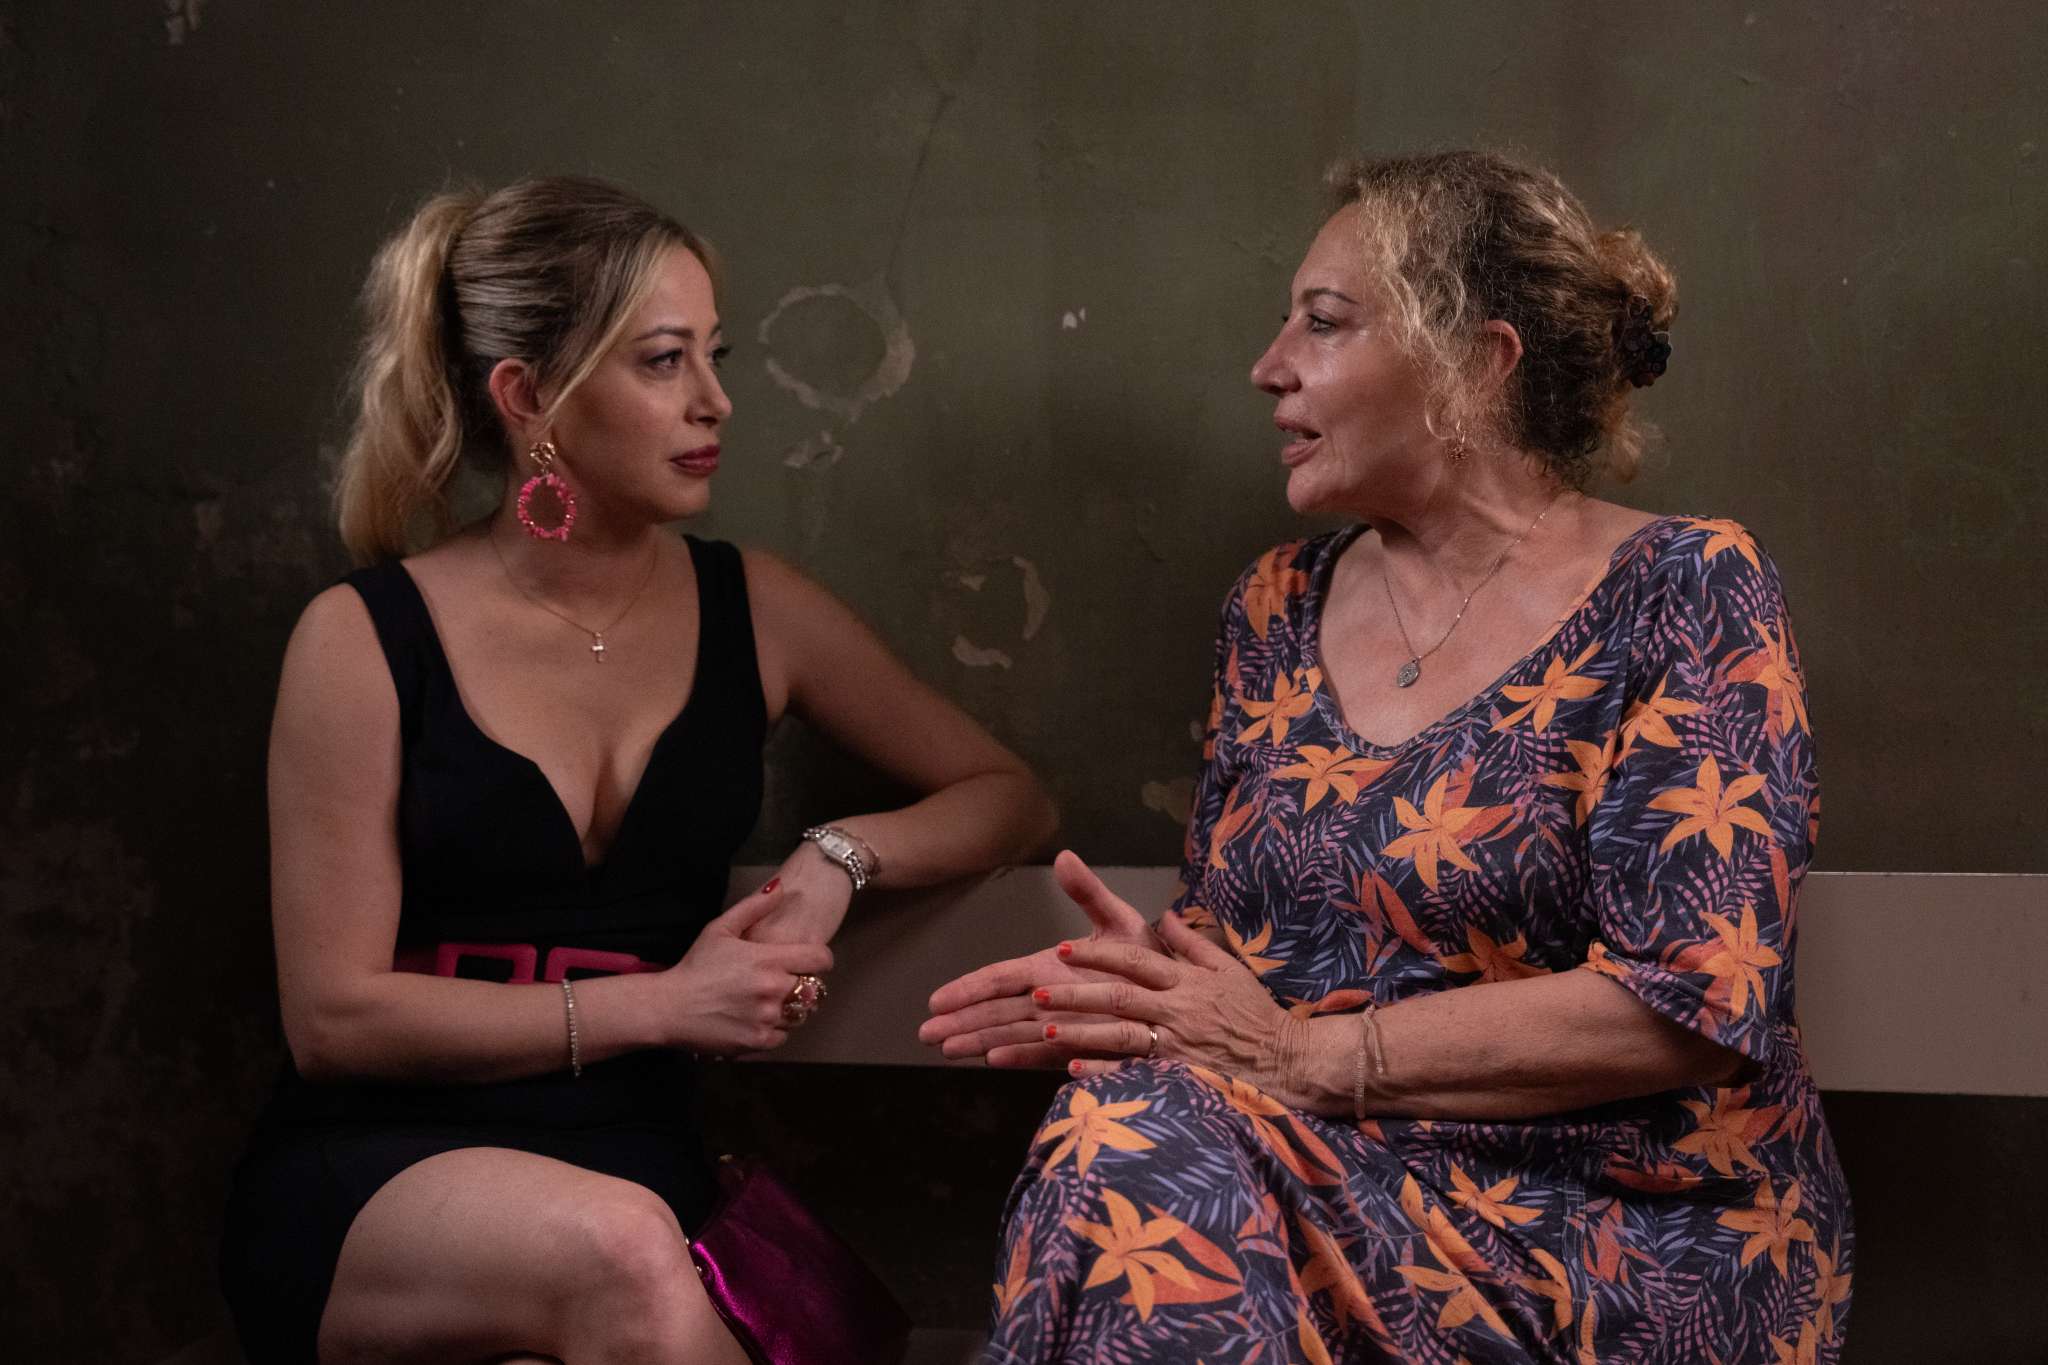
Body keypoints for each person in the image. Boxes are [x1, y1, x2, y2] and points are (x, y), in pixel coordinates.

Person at [923, 151, 1851, 1363]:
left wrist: (1303, 1055)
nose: (1268, 367)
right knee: (1127, 1135)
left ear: (1476, 361)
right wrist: (1148, 1000)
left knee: (1129, 1160)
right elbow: (1239, 964)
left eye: (1322, 323)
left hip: (1620, 1229)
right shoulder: (1273, 608)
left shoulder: (1684, 588)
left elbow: (1691, 1002)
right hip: (1309, 1178)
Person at [220, 175, 1057, 1365]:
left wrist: (837, 860)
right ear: (529, 397)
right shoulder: (363, 638)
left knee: (622, 1254)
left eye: (712, 355)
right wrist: (664, 1005)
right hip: (382, 1175)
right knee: (619, 1251)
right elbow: (334, 1020)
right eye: (664, 361)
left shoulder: (754, 606)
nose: (715, 399)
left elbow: (1009, 796)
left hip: (636, 1157)